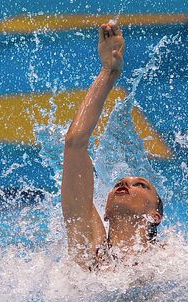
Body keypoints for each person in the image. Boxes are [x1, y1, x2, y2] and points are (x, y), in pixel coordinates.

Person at [61, 22, 163, 271]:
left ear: (155, 216)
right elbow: (75, 144)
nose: (125, 184)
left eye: (141, 185)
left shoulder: (169, 262)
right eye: (120, 182)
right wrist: (108, 73)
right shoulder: (90, 250)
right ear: (105, 212)